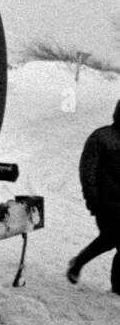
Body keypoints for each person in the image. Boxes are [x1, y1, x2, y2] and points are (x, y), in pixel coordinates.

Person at [68, 98, 120, 293]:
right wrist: (91, 197)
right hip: (106, 202)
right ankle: (117, 288)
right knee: (113, 238)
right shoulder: (101, 138)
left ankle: (78, 263)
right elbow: (87, 170)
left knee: (109, 239)